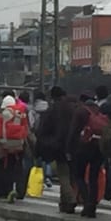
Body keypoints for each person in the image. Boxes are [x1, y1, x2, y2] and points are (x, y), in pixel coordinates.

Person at [37, 86, 77, 214]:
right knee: (71, 174)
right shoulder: (73, 108)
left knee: (63, 175)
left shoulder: (53, 110)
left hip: (59, 146)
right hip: (74, 145)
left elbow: (44, 129)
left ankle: (70, 199)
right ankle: (64, 202)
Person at [66, 95, 106, 217]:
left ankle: (86, 201)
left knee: (79, 176)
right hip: (99, 147)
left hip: (83, 147)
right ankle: (92, 206)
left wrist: (68, 149)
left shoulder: (81, 112)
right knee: (93, 177)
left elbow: (73, 131)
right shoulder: (100, 113)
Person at [0, 95, 32, 202]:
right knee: (13, 168)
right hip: (17, 146)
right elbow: (27, 131)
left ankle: (3, 191)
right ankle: (13, 189)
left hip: (0, 146)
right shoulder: (19, 115)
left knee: (0, 169)